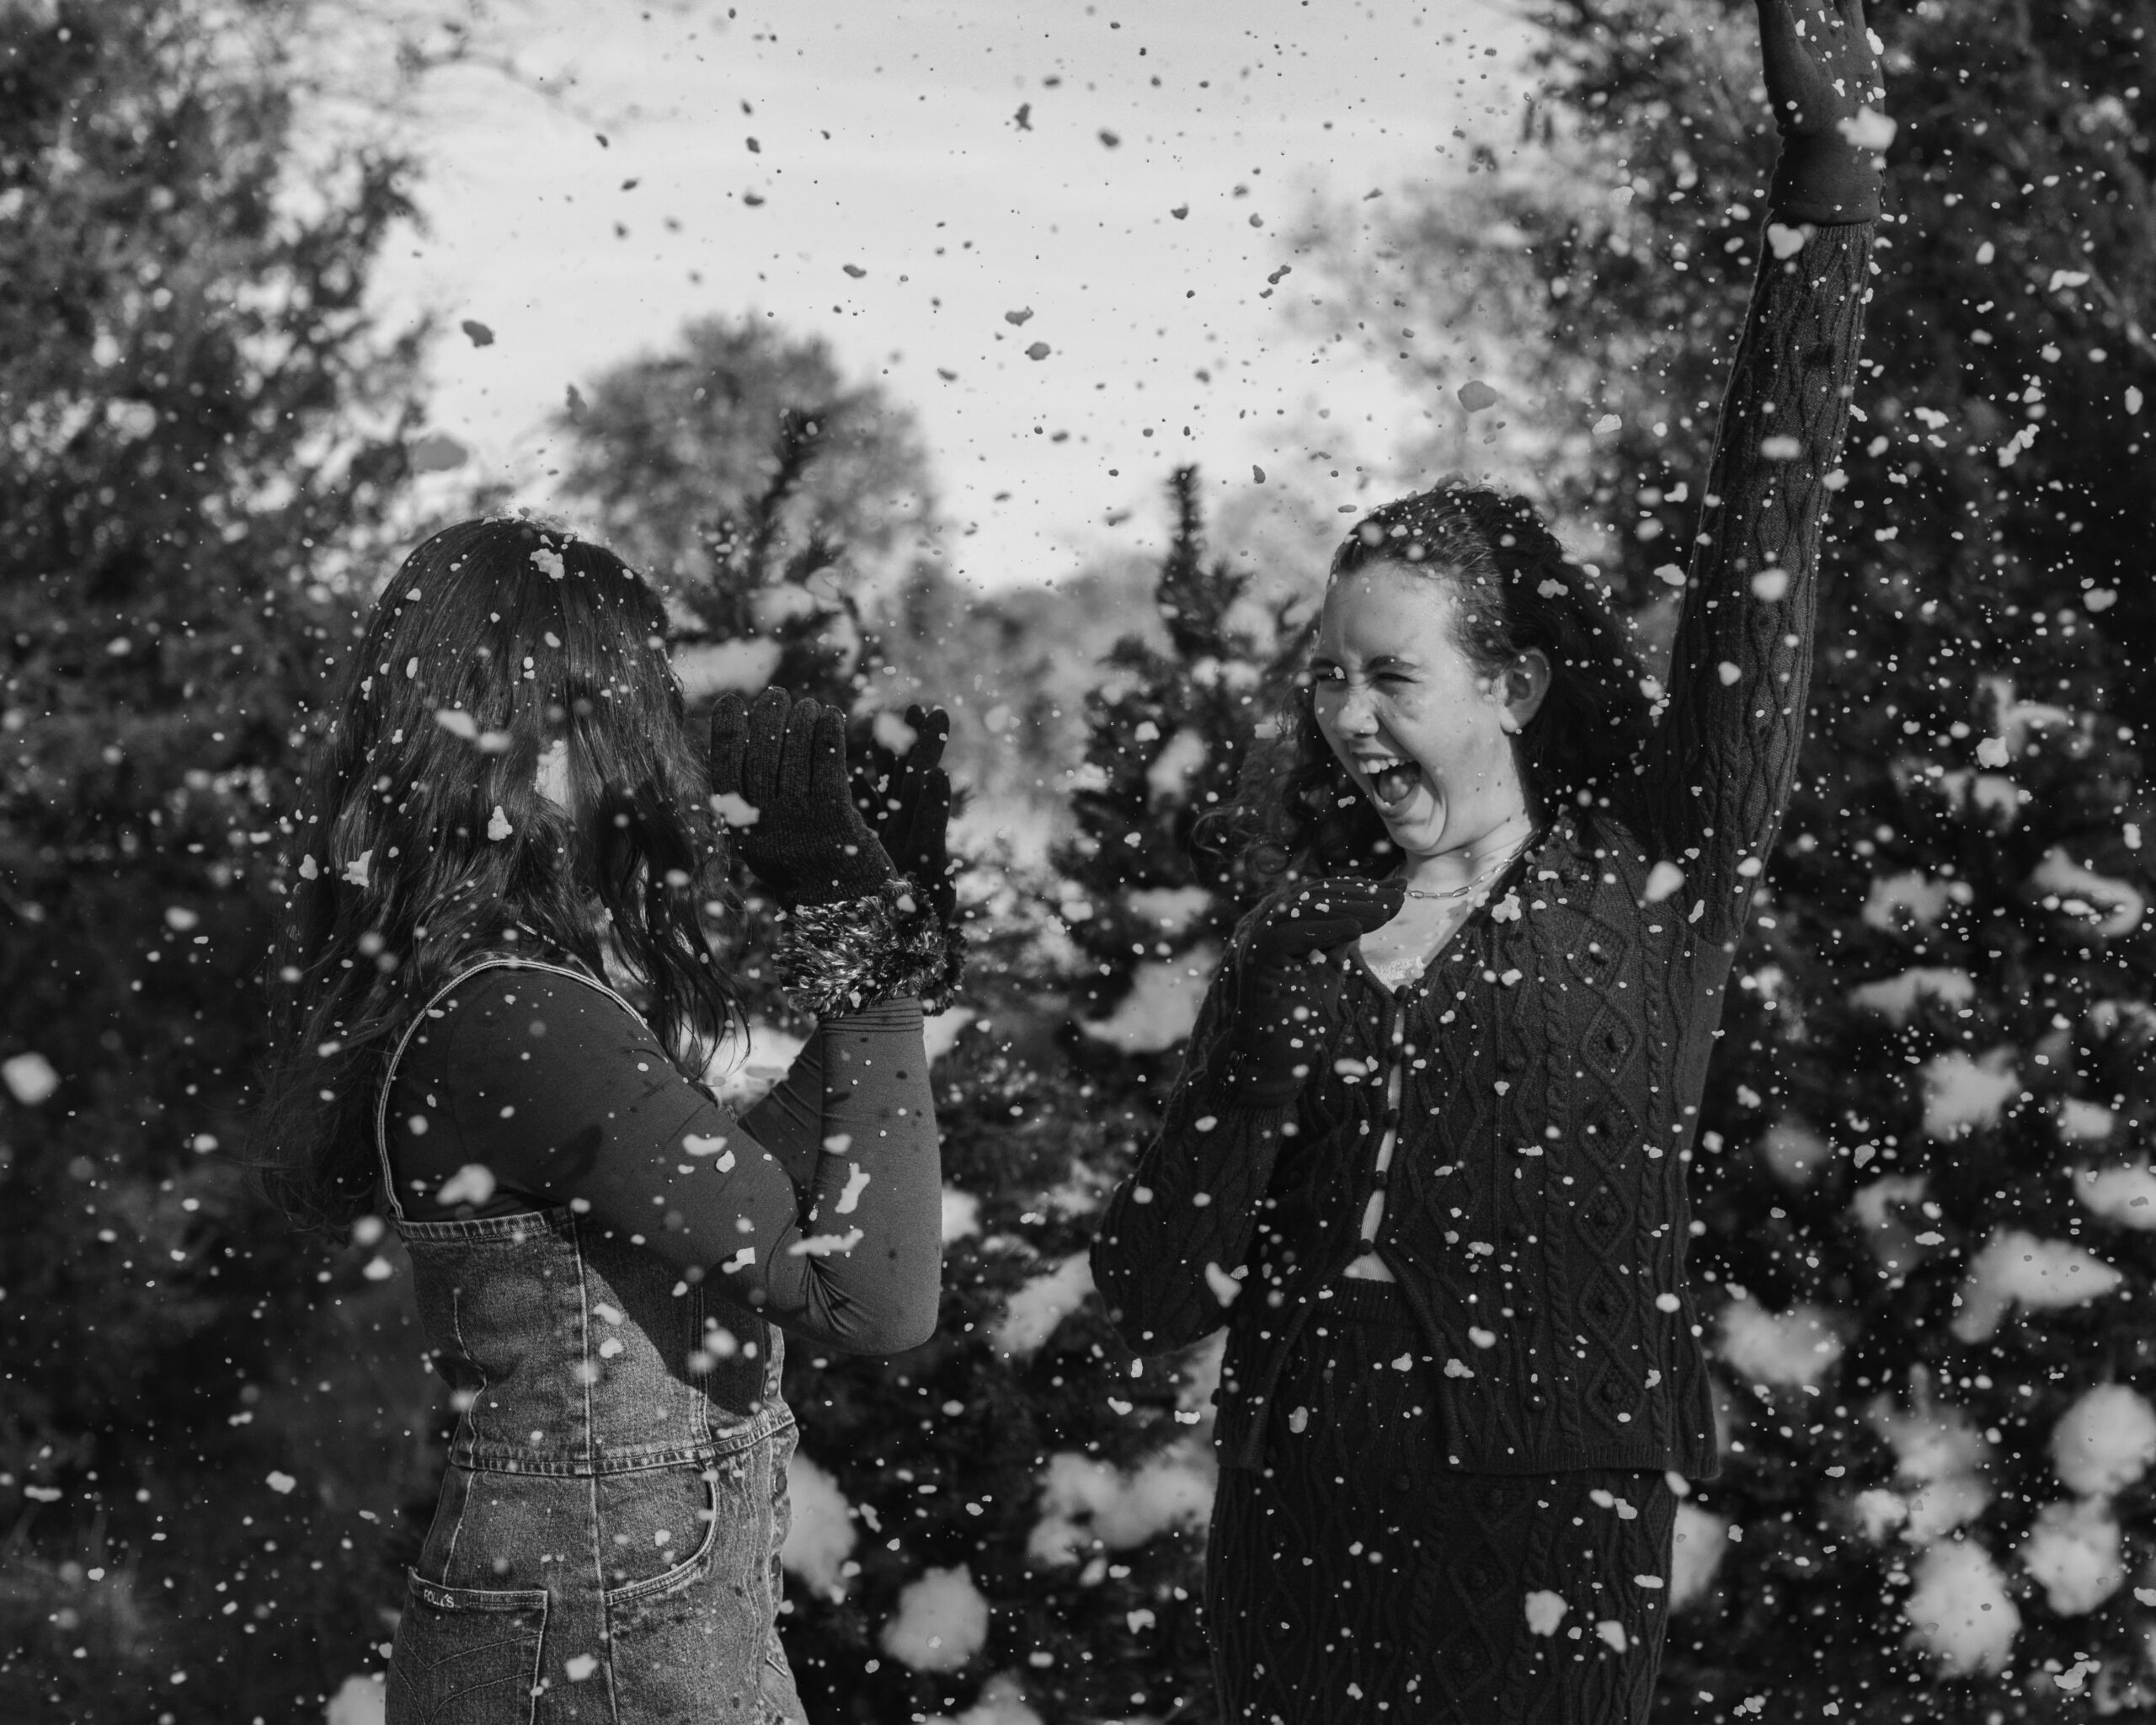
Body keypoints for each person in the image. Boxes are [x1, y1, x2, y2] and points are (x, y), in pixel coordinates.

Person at [1091, 1, 1884, 1717]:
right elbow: (1151, 1289)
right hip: (1296, 1520)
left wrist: (1829, 198)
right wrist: (1254, 1076)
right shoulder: (1300, 935)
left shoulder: (1652, 870)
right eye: (1325, 680)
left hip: (1550, 1524)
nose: (1345, 721)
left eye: (1391, 678)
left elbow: (1769, 534)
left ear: (1511, 683)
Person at [252, 515, 962, 1722]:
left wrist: (884, 927)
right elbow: (874, 1297)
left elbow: (769, 1193)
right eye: (635, 702)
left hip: (617, 1638)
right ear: (524, 729)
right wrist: (869, 958)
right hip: (598, 1664)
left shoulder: (512, 999)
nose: (663, 749)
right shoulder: (518, 1018)